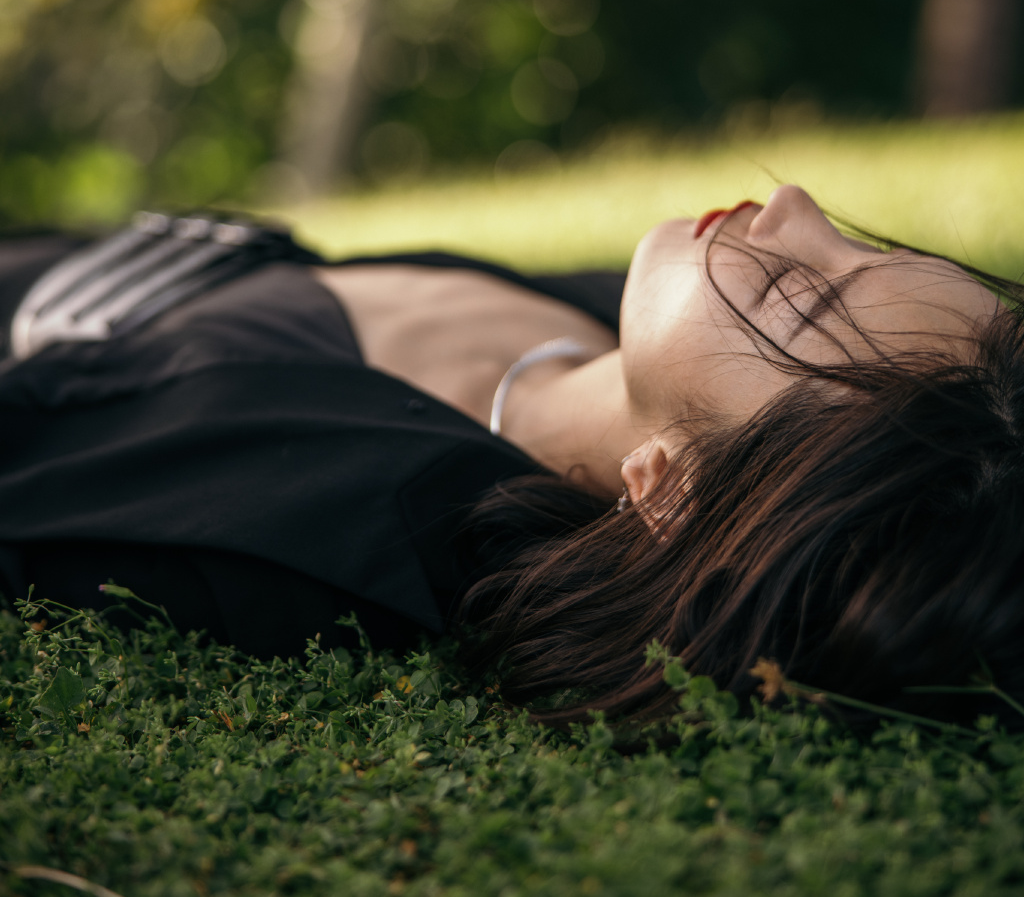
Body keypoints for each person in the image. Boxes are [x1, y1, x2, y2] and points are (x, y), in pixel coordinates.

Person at [0, 184, 1019, 722]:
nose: (790, 206)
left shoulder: (339, 511)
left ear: (678, 492)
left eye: (799, 291)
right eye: (871, 249)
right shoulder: (599, 312)